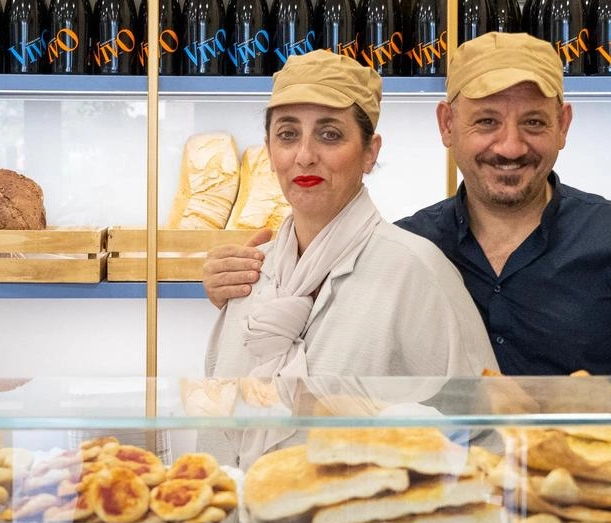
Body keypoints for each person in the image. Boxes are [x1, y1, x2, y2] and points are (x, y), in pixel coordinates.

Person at [203, 32, 611, 386]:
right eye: (485, 121)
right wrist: (239, 281)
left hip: (596, 514)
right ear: (446, 125)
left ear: (564, 124)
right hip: (447, 510)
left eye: (533, 121)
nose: (509, 146)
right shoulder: (410, 248)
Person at [205, 49, 499, 383]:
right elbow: (219, 416)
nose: (304, 156)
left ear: (369, 153)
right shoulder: (251, 276)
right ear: (269, 151)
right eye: (288, 134)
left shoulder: (416, 271)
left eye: (329, 134)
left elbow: (478, 419)